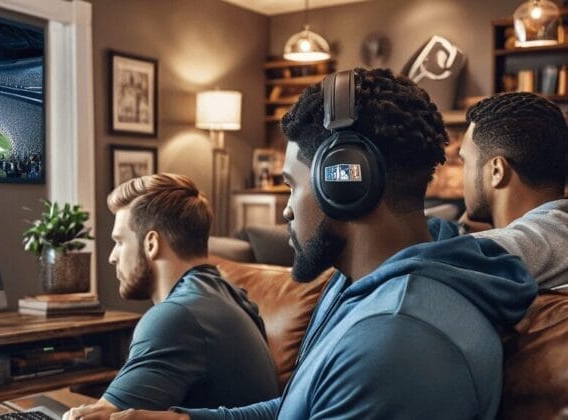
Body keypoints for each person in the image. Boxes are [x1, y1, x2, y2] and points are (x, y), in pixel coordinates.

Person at [109, 68, 537, 420]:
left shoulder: (395, 340)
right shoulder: (362, 284)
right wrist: (185, 419)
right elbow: (303, 405)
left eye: (292, 186)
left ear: (346, 180)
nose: (286, 211)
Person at [65, 173, 279, 419]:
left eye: (120, 242)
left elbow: (101, 417)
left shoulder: (176, 316)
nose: (112, 256)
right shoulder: (233, 296)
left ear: (151, 244)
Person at [459, 91, 568, 290]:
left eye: (465, 162)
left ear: (496, 171)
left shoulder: (541, 241)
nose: (462, 177)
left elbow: (436, 263)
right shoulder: (559, 226)